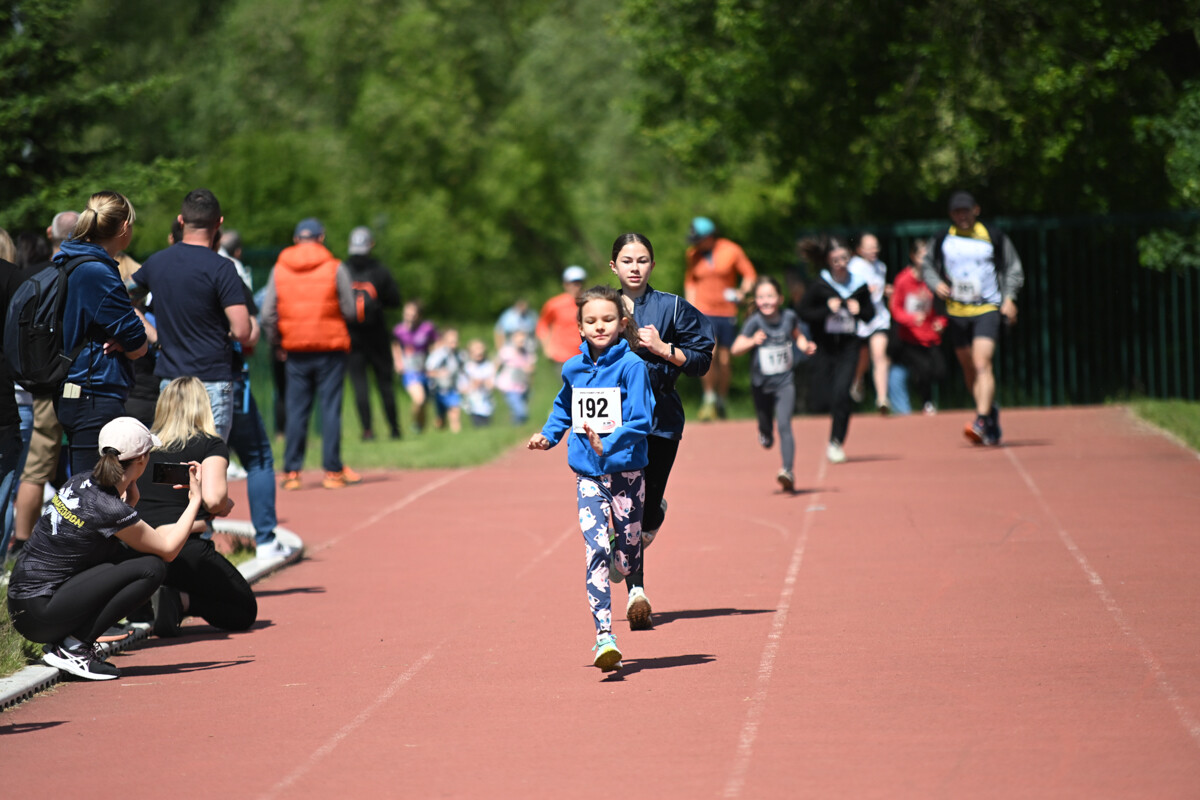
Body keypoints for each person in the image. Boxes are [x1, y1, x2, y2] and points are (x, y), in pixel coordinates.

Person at [6, 417, 203, 680]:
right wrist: (195, 501)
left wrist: (130, 500)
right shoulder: (109, 508)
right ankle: (75, 647)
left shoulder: (80, 481)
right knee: (152, 568)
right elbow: (167, 550)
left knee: (127, 557)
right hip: (40, 613)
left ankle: (71, 642)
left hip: (24, 603)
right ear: (142, 460)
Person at [527, 285, 654, 672]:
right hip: (588, 475)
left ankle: (627, 553)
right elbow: (563, 407)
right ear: (579, 327)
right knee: (594, 551)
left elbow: (643, 419)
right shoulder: (573, 368)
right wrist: (548, 435)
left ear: (622, 323)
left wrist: (610, 442)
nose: (600, 327)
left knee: (629, 553)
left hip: (627, 472)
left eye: (608, 320)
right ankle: (604, 636)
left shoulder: (633, 366)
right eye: (591, 321)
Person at [609, 232, 714, 630]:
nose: (634, 267)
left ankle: (651, 521)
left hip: (662, 420)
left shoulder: (672, 307)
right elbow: (584, 355)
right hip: (616, 423)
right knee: (626, 507)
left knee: (646, 507)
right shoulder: (602, 306)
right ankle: (637, 592)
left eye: (642, 260)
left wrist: (663, 349)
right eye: (627, 260)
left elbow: (702, 359)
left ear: (652, 265)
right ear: (613, 266)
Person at [134, 377, 256, 637]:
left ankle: (145, 603)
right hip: (184, 548)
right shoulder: (208, 444)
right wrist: (224, 504)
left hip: (141, 546)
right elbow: (213, 499)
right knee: (244, 609)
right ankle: (181, 601)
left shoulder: (144, 446)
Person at [131, 189, 251, 441]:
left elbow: (120, 297)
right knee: (211, 466)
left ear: (181, 220)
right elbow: (242, 330)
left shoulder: (157, 263)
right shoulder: (223, 268)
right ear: (219, 223)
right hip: (213, 382)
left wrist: (154, 336)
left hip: (171, 382)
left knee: (172, 466)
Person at [261, 217, 361, 490]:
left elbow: (268, 313)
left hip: (295, 350)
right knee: (330, 408)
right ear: (322, 238)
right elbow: (351, 310)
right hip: (331, 348)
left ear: (295, 239)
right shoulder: (335, 267)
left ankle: (292, 472)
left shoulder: (280, 269)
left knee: (297, 410)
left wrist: (278, 343)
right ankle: (332, 471)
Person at [55, 191, 149, 476]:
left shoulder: (70, 260)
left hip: (74, 388)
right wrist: (126, 341)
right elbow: (138, 344)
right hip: (94, 392)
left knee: (84, 490)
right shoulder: (99, 272)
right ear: (123, 228)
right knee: (91, 495)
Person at [921, 191, 1024, 445]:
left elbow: (1013, 267)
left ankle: (980, 418)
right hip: (956, 312)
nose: (962, 216)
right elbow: (927, 266)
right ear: (950, 215)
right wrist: (936, 284)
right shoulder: (943, 238)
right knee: (969, 369)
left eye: (966, 210)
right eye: (956, 212)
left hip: (987, 308)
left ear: (976, 210)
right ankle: (989, 413)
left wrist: (1009, 298)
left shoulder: (993, 235)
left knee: (982, 363)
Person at [10, 211, 77, 563]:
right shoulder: (77, 275)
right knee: (82, 463)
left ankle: (22, 545)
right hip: (74, 381)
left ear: (49, 232)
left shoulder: (30, 278)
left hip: (38, 385)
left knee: (35, 468)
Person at [731, 276, 816, 492]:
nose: (765, 301)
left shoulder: (789, 317)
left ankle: (787, 470)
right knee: (767, 430)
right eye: (761, 297)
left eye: (770, 296)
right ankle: (765, 430)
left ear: (779, 298)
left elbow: (798, 336)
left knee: (785, 424)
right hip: (761, 384)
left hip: (785, 382)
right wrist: (752, 341)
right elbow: (735, 349)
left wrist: (805, 346)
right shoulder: (755, 322)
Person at [798, 235, 875, 464]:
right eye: (836, 259)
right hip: (825, 347)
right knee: (825, 396)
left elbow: (870, 315)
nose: (841, 263)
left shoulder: (859, 285)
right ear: (828, 261)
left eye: (844, 257)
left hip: (849, 346)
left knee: (842, 393)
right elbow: (804, 313)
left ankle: (836, 442)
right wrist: (826, 311)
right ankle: (835, 435)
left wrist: (859, 310)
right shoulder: (819, 286)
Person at [684, 217, 757, 420]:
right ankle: (708, 398)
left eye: (699, 239)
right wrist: (690, 308)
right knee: (709, 352)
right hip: (704, 310)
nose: (696, 244)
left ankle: (721, 400)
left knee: (725, 359)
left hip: (727, 311)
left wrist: (743, 291)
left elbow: (750, 275)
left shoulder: (731, 250)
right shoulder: (692, 255)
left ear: (710, 237)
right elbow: (691, 282)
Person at [344, 226, 402, 441]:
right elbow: (395, 300)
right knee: (384, 382)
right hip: (377, 334)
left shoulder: (343, 269)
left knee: (360, 385)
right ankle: (394, 428)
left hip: (351, 336)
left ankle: (367, 430)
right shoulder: (380, 270)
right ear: (371, 245)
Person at [891, 240, 948, 414]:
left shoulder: (935, 281)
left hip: (930, 336)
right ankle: (926, 403)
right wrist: (910, 319)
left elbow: (943, 306)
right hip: (910, 337)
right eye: (922, 255)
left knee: (940, 371)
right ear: (913, 256)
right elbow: (895, 308)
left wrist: (942, 322)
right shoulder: (902, 280)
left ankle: (916, 380)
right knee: (923, 369)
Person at [848, 232, 893, 414]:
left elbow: (877, 291)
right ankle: (858, 379)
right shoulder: (854, 266)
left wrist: (885, 290)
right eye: (869, 247)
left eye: (875, 246)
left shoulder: (880, 267)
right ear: (859, 249)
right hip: (860, 320)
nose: (873, 250)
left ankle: (882, 398)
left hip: (878, 318)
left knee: (879, 354)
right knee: (863, 358)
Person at [391, 300, 438, 432]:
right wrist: (397, 362)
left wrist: (434, 359)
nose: (409, 316)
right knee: (419, 399)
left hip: (425, 370)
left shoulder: (428, 328)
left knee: (424, 404)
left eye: (413, 313)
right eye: (407, 313)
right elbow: (395, 345)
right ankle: (416, 425)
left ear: (419, 315)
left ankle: (420, 429)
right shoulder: (399, 330)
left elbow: (436, 343)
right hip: (410, 371)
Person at [536, 265, 587, 363]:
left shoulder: (589, 303)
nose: (576, 286)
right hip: (562, 356)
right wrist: (547, 348)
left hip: (585, 355)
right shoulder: (555, 304)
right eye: (572, 283)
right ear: (565, 284)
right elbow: (543, 325)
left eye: (579, 283)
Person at [424, 328, 465, 433]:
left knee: (455, 411)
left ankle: (456, 433)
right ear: (444, 342)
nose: (454, 344)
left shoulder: (460, 355)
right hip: (439, 390)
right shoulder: (438, 355)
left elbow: (463, 371)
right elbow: (428, 371)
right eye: (451, 342)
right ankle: (440, 429)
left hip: (453, 389)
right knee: (440, 418)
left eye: (455, 341)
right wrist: (439, 373)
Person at [495, 329, 536, 424]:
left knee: (520, 409)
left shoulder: (526, 353)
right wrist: (493, 378)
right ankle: (516, 424)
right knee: (520, 411)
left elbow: (531, 369)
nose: (521, 343)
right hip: (509, 385)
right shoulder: (507, 351)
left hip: (522, 386)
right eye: (519, 341)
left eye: (523, 341)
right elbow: (497, 363)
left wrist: (529, 371)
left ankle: (518, 426)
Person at [461, 338, 496, 427]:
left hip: (487, 402)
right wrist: (473, 385)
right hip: (473, 403)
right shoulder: (467, 367)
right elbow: (463, 387)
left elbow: (491, 384)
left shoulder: (489, 366)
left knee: (486, 425)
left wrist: (485, 382)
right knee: (478, 423)